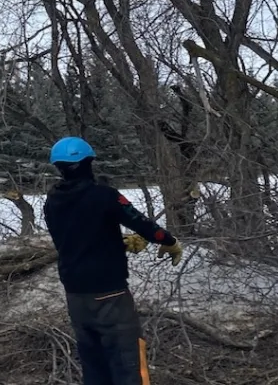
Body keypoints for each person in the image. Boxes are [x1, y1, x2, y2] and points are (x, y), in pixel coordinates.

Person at [43, 137, 183, 385]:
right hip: (109, 295)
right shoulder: (105, 196)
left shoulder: (52, 201)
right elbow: (142, 224)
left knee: (94, 365)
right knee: (127, 362)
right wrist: (169, 241)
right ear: (89, 163)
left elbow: (77, 239)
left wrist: (120, 244)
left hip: (76, 295)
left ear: (59, 167)